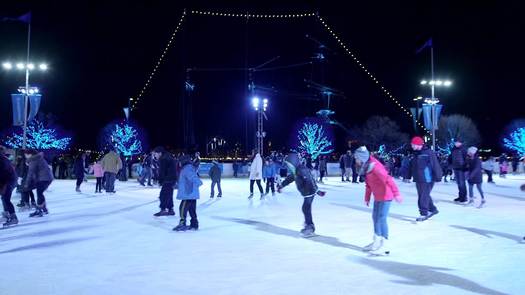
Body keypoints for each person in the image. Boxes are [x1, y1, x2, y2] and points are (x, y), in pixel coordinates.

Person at [354, 146, 402, 255]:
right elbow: (368, 185)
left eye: (357, 158)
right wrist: (367, 198)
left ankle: (385, 244)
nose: (356, 160)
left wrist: (396, 194)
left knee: (381, 218)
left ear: (362, 158)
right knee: (375, 217)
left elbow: (388, 179)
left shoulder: (375, 167)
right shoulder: (366, 167)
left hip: (386, 195)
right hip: (378, 196)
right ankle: (376, 241)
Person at [277, 152, 326, 237]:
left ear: (293, 162)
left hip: (309, 192)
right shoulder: (296, 171)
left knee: (306, 208)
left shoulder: (302, 169)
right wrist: (281, 185)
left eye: (289, 164)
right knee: (305, 208)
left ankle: (310, 228)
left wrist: (317, 191)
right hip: (307, 192)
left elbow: (310, 180)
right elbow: (289, 179)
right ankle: (309, 225)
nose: (288, 167)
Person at [409, 137, 442, 221]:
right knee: (424, 195)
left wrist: (438, 176)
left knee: (423, 196)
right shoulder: (416, 153)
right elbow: (413, 167)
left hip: (427, 179)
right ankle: (433, 209)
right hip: (418, 178)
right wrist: (408, 176)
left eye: (413, 144)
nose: (411, 146)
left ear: (418, 144)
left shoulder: (428, 153)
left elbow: (435, 165)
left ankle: (424, 213)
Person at [173, 155, 202, 231]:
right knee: (192, 209)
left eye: (179, 161)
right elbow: (186, 180)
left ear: (183, 162)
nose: (178, 163)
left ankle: (182, 223)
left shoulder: (187, 169)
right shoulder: (189, 168)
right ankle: (194, 224)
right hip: (191, 193)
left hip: (188, 193)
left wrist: (198, 182)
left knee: (182, 208)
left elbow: (192, 177)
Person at [22, 149, 54, 217]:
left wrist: (26, 184)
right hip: (47, 178)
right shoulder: (38, 158)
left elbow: (30, 173)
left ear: (30, 154)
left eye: (26, 154)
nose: (25, 156)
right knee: (40, 193)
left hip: (43, 178)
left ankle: (39, 210)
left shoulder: (33, 160)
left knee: (39, 193)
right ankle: (44, 209)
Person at [152, 147, 176, 216]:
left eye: (155, 154)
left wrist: (160, 180)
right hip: (172, 179)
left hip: (168, 179)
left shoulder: (163, 159)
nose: (155, 156)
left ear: (160, 153)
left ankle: (163, 209)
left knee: (163, 195)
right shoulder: (168, 156)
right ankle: (171, 209)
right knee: (169, 195)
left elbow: (162, 171)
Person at [1, 146, 18, 227]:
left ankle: (13, 218)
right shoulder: (3, 158)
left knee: (6, 199)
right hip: (8, 181)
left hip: (8, 181)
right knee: (4, 198)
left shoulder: (2, 160)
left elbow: (2, 174)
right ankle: (7, 215)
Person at [449, 138, 468, 203]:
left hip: (462, 168)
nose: (456, 143)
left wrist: (465, 167)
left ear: (460, 143)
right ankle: (460, 196)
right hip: (455, 168)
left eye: (457, 142)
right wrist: (450, 164)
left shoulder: (463, 149)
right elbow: (451, 158)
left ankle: (464, 197)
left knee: (462, 183)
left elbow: (466, 159)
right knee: (458, 183)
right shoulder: (453, 149)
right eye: (455, 142)